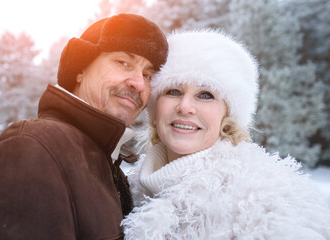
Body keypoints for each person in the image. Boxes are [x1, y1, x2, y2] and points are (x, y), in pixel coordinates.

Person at [0, 13, 168, 239]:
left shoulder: (103, 163)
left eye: (148, 74)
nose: (139, 83)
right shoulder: (31, 148)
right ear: (80, 69)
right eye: (123, 62)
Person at [121, 29, 330, 239]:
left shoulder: (267, 201)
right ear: (155, 110)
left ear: (228, 116)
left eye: (206, 95)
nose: (185, 107)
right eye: (173, 91)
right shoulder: (128, 189)